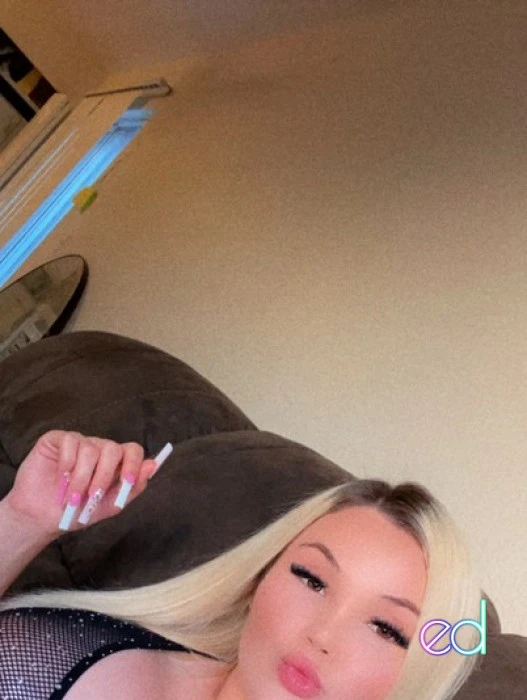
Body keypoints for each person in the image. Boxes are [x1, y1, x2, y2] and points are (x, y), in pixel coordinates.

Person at [0, 430, 481, 699]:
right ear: (259, 579)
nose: (322, 635)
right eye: (312, 580)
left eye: (386, 629)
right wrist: (23, 518)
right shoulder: (72, 659)